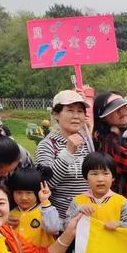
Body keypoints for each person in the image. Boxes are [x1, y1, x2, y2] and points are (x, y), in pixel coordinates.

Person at [35, 90, 92, 220]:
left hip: (91, 220)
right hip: (63, 223)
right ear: (56, 114)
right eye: (70, 110)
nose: (76, 116)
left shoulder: (88, 142)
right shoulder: (47, 145)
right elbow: (46, 185)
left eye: (80, 111)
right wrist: (68, 152)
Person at [65, 152, 127, 229]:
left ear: (113, 177)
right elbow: (66, 227)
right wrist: (78, 212)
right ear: (86, 178)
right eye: (94, 174)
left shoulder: (122, 202)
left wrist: (119, 224)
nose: (100, 179)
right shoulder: (78, 201)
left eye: (105, 173)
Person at [7, 168, 61, 247]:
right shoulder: (10, 215)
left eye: (29, 193)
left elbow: (53, 229)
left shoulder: (45, 211)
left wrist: (45, 201)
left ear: (38, 192)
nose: (24, 197)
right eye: (19, 193)